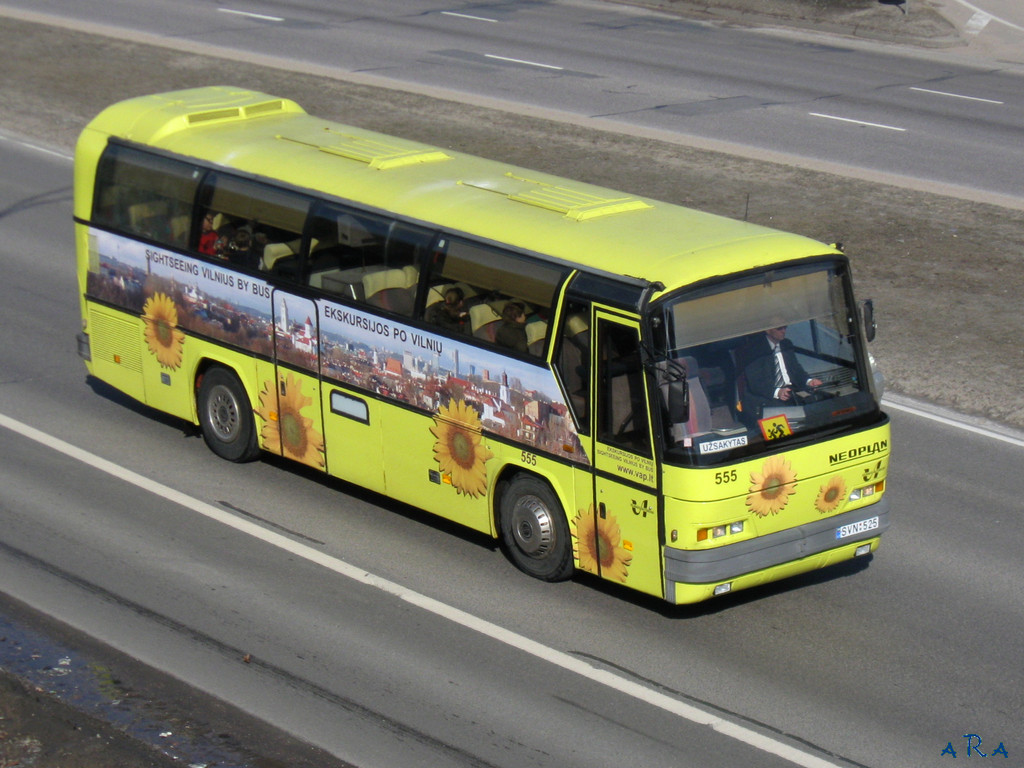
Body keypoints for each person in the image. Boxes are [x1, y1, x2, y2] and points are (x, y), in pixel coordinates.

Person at [740, 323, 822, 419]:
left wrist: (809, 381)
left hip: (790, 393)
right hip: (766, 398)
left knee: (819, 409)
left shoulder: (786, 344)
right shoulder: (753, 350)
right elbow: (755, 383)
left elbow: (796, 369)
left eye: (785, 327)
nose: (784, 331)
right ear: (768, 330)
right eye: (779, 328)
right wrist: (777, 392)